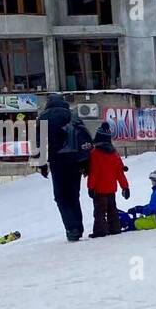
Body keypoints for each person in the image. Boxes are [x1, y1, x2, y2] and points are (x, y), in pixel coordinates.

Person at [38, 93, 92, 241]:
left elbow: (40, 143)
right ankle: (78, 228)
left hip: (58, 162)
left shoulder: (43, 118)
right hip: (75, 162)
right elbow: (85, 138)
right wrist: (86, 162)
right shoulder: (73, 115)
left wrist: (42, 164)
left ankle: (71, 228)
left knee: (61, 197)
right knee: (74, 196)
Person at [87, 121, 130, 238]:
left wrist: (90, 187)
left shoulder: (95, 153)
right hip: (111, 189)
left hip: (99, 190)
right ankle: (115, 229)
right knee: (112, 210)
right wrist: (125, 187)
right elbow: (120, 172)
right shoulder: (114, 154)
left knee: (99, 212)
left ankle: (100, 231)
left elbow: (93, 173)